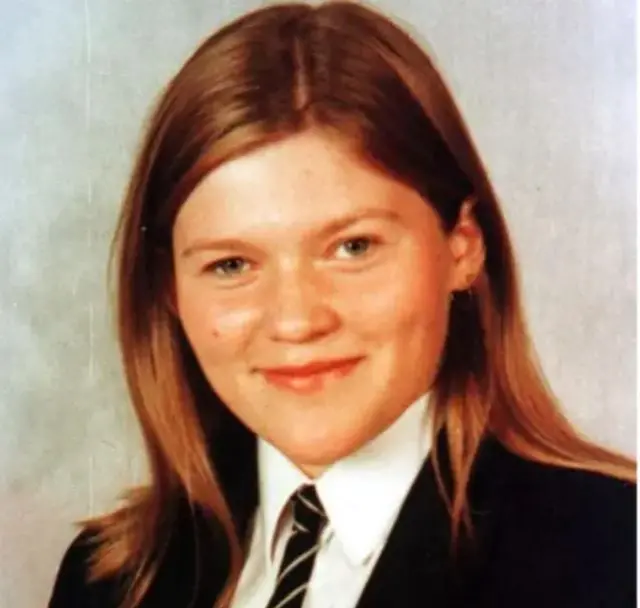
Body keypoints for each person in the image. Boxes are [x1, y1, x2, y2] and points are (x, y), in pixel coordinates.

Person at [48, 2, 636, 607]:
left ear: (462, 248)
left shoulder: (613, 555)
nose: (297, 321)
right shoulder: (108, 582)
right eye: (231, 264)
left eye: (352, 247)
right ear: (169, 291)